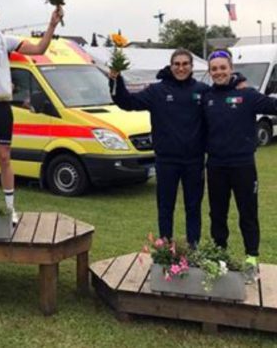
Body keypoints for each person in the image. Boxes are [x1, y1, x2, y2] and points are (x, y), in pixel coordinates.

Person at [0, 0, 63, 222]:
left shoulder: (5, 41)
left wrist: (52, 25)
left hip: (0, 105)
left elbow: (39, 49)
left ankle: (10, 208)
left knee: (3, 157)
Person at [109, 49, 208, 247]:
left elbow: (222, 101)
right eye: (177, 64)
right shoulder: (157, 91)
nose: (181, 68)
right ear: (171, 66)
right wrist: (115, 80)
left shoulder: (203, 90)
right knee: (165, 206)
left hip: (194, 160)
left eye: (185, 64)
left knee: (193, 207)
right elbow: (127, 102)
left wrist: (238, 83)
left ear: (191, 67)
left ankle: (193, 248)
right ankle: (166, 248)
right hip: (166, 160)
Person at [203, 50, 277, 278]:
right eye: (214, 69)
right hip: (216, 165)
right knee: (217, 214)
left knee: (248, 213)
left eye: (222, 68)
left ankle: (251, 258)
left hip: (243, 165)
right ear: (210, 72)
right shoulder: (206, 97)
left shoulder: (247, 95)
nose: (219, 72)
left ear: (231, 69)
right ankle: (219, 257)